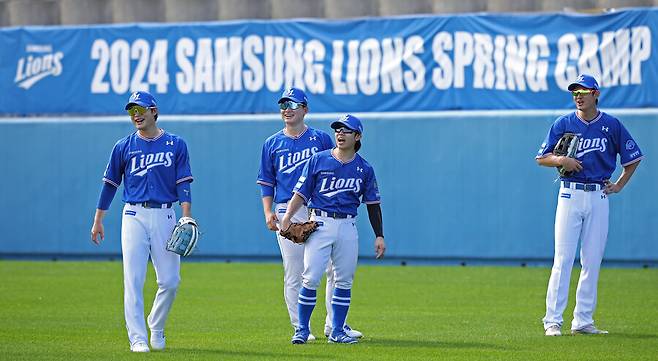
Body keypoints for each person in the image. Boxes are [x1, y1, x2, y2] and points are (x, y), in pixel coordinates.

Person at [536, 74, 642, 336]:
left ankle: (583, 320)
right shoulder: (563, 123)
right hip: (570, 194)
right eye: (575, 92)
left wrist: (619, 185)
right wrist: (562, 160)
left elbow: (633, 158)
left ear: (596, 93)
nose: (578, 96)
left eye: (583, 91)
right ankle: (553, 321)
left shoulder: (611, 125)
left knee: (592, 260)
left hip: (598, 195)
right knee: (562, 260)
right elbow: (541, 157)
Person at [90, 91, 194, 352]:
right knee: (133, 279)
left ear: (154, 111)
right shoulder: (123, 146)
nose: (136, 115)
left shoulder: (175, 144)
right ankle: (137, 338)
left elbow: (183, 182)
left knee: (170, 281)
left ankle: (155, 326)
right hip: (134, 215)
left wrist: (186, 215)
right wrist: (98, 219)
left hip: (166, 214)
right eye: (131, 111)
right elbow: (110, 185)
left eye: (140, 109)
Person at [257, 88, 363, 341]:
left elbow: (337, 167)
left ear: (305, 109)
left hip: (317, 209)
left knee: (332, 269)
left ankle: (335, 324)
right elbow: (266, 181)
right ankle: (299, 326)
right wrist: (268, 211)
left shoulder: (321, 139)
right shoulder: (272, 143)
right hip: (287, 210)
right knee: (295, 270)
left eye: (293, 104)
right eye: (283, 104)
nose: (287, 108)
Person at [280, 114, 386, 344]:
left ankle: (337, 331)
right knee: (310, 277)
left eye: (346, 130)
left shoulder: (364, 168)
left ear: (357, 136)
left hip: (348, 225)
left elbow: (373, 204)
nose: (340, 134)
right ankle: (302, 330)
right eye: (337, 130)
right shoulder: (319, 160)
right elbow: (301, 193)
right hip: (321, 223)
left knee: (344, 280)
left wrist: (379, 235)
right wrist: (287, 216)